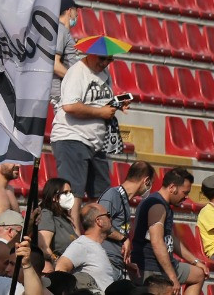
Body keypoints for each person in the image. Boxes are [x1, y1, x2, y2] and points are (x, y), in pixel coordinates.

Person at [52, 48, 126, 201]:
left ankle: (94, 224)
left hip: (95, 142)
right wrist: (101, 113)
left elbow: (99, 103)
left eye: (109, 59)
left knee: (102, 195)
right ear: (91, 54)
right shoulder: (77, 72)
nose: (105, 63)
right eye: (101, 58)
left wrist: (117, 103)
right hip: (72, 136)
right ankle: (74, 226)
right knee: (73, 193)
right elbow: (70, 106)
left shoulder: (105, 74)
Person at [130, 168, 206, 295]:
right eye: (185, 192)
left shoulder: (164, 205)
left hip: (165, 264)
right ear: (172, 187)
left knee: (198, 274)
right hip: (152, 267)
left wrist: (196, 261)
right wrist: (172, 277)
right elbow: (157, 242)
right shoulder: (157, 206)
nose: (186, 197)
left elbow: (170, 238)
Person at [58, 204, 121, 292]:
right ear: (99, 221)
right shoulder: (82, 244)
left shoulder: (93, 245)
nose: (111, 219)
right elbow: (60, 269)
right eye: (108, 215)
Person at [36, 177, 81, 269]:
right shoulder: (46, 214)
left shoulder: (64, 218)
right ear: (54, 197)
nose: (70, 196)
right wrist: (58, 262)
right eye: (65, 193)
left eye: (70, 192)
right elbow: (43, 247)